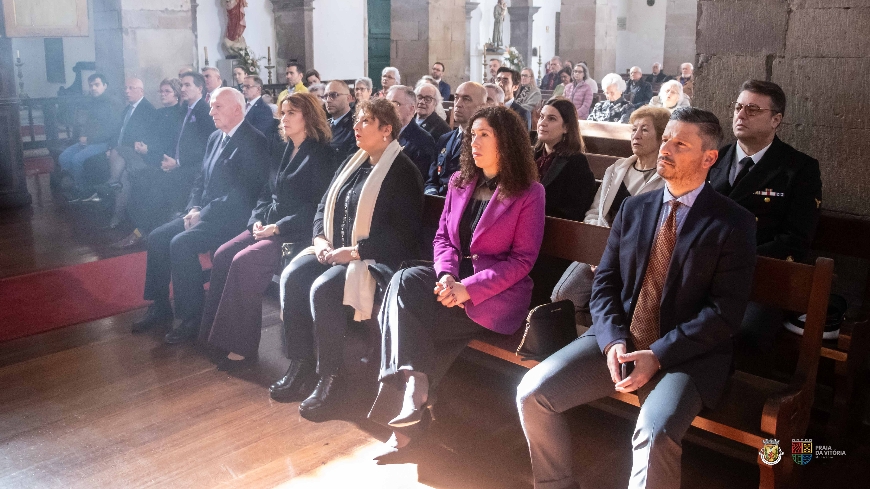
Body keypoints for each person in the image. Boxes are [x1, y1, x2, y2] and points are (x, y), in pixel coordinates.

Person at [517, 108, 758, 489]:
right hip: (620, 339)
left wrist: (658, 354)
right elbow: (606, 283)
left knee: (656, 432)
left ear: (708, 158)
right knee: (533, 392)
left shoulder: (732, 222)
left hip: (688, 353)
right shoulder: (636, 208)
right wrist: (612, 340)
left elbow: (724, 313)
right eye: (666, 140)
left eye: (681, 144)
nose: (667, 148)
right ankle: (556, 484)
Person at [376, 105, 545, 450]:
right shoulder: (459, 181)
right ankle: (416, 387)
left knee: (410, 322)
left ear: (507, 142)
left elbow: (522, 261)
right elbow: (443, 239)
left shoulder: (529, 192)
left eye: (485, 135)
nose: (474, 142)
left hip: (496, 294)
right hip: (452, 281)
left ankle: (408, 412)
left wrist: (467, 289)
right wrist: (446, 276)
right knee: (404, 279)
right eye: (472, 135)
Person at [272, 98, 424, 415]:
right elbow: (322, 205)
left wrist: (355, 252)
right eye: (357, 120)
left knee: (323, 289)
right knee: (293, 275)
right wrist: (319, 239)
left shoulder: (403, 173)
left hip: (373, 260)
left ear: (386, 130)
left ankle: (332, 377)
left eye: (365, 121)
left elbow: (402, 236)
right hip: (335, 250)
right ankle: (300, 363)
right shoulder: (353, 162)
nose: (355, 127)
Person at [200, 93, 339, 370]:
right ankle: (214, 337)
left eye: (290, 113)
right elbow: (266, 192)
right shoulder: (282, 147)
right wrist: (256, 221)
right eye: (282, 112)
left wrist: (278, 227)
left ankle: (241, 347)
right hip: (268, 225)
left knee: (244, 262)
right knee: (224, 254)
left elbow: (316, 206)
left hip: (296, 232)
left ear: (308, 117)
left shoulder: (323, 154)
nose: (283, 118)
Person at [132, 88, 270, 343]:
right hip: (204, 213)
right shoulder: (216, 137)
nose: (211, 112)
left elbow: (243, 193)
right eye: (211, 106)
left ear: (237, 109)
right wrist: (194, 208)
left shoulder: (255, 141)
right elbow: (200, 180)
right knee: (157, 238)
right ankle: (160, 304)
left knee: (181, 244)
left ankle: (192, 317)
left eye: (218, 107)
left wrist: (202, 213)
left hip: (232, 218)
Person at [708, 80, 823, 350]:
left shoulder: (798, 168)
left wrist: (734, 262)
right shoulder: (714, 158)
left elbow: (796, 238)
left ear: (776, 120)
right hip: (704, 270)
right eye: (738, 107)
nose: (741, 114)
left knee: (745, 334)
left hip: (761, 277)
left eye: (752, 109)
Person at [111, 78, 191, 249]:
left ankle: (135, 228)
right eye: (160, 91)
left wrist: (149, 149)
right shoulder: (159, 112)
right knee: (121, 157)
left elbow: (171, 143)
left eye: (167, 91)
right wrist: (143, 144)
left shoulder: (180, 114)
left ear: (176, 94)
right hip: (148, 154)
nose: (162, 94)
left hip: (162, 159)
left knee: (127, 167)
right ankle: (126, 218)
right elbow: (149, 134)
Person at [102, 77, 157, 228]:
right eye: (125, 88)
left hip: (138, 153)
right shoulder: (127, 109)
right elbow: (118, 132)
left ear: (141, 91)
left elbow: (145, 138)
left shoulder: (148, 110)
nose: (127, 91)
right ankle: (117, 214)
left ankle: (112, 184)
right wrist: (110, 148)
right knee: (123, 176)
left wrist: (117, 149)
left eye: (131, 88)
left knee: (122, 173)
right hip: (120, 154)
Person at [534, 99, 596, 221]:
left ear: (566, 127)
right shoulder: (532, 156)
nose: (542, 123)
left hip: (554, 229)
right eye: (541, 117)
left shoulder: (576, 162)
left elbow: (575, 210)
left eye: (551, 119)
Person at [59, 73, 117, 199]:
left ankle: (84, 190)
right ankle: (75, 181)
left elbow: (110, 130)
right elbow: (85, 124)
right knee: (64, 157)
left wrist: (89, 139)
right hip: (87, 141)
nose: (93, 88)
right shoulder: (90, 102)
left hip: (103, 143)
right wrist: (83, 136)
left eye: (97, 85)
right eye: (91, 86)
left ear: (105, 86)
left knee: (77, 159)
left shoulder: (111, 105)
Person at [424, 82, 487, 196]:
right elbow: (432, 179)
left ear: (481, 107)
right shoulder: (445, 138)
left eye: (466, 99)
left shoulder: (484, 144)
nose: (458, 104)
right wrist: (432, 195)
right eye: (456, 97)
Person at [387, 85, 437, 179]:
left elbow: (417, 179)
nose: (388, 109)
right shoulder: (381, 134)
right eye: (387, 104)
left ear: (411, 109)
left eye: (395, 104)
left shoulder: (423, 140)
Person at [323, 80, 358, 161]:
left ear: (348, 98)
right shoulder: (323, 126)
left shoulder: (355, 126)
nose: (328, 100)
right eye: (325, 96)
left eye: (333, 95)